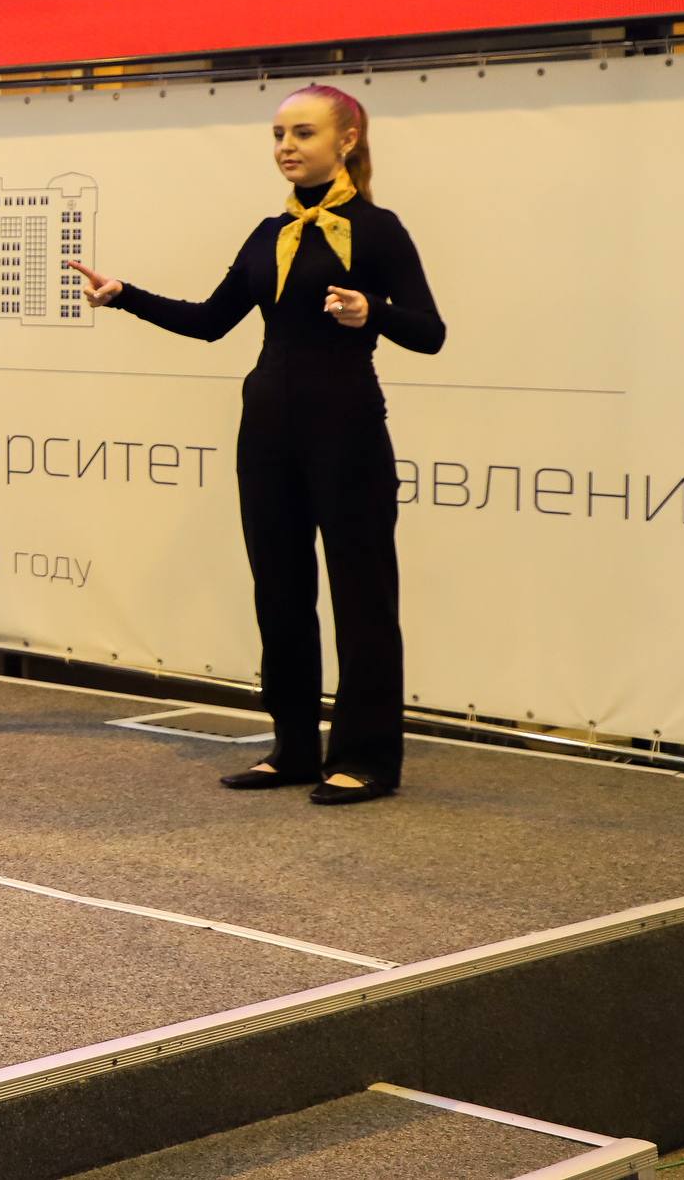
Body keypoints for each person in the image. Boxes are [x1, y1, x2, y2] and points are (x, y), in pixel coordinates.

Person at [69, 84, 444, 804]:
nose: (286, 147)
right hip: (267, 428)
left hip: (347, 426)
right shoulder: (267, 233)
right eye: (278, 134)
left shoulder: (378, 230)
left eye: (303, 133)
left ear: (347, 140)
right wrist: (125, 295)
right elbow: (210, 321)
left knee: (363, 594)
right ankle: (294, 747)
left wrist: (372, 311)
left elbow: (430, 332)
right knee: (279, 589)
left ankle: (366, 758)